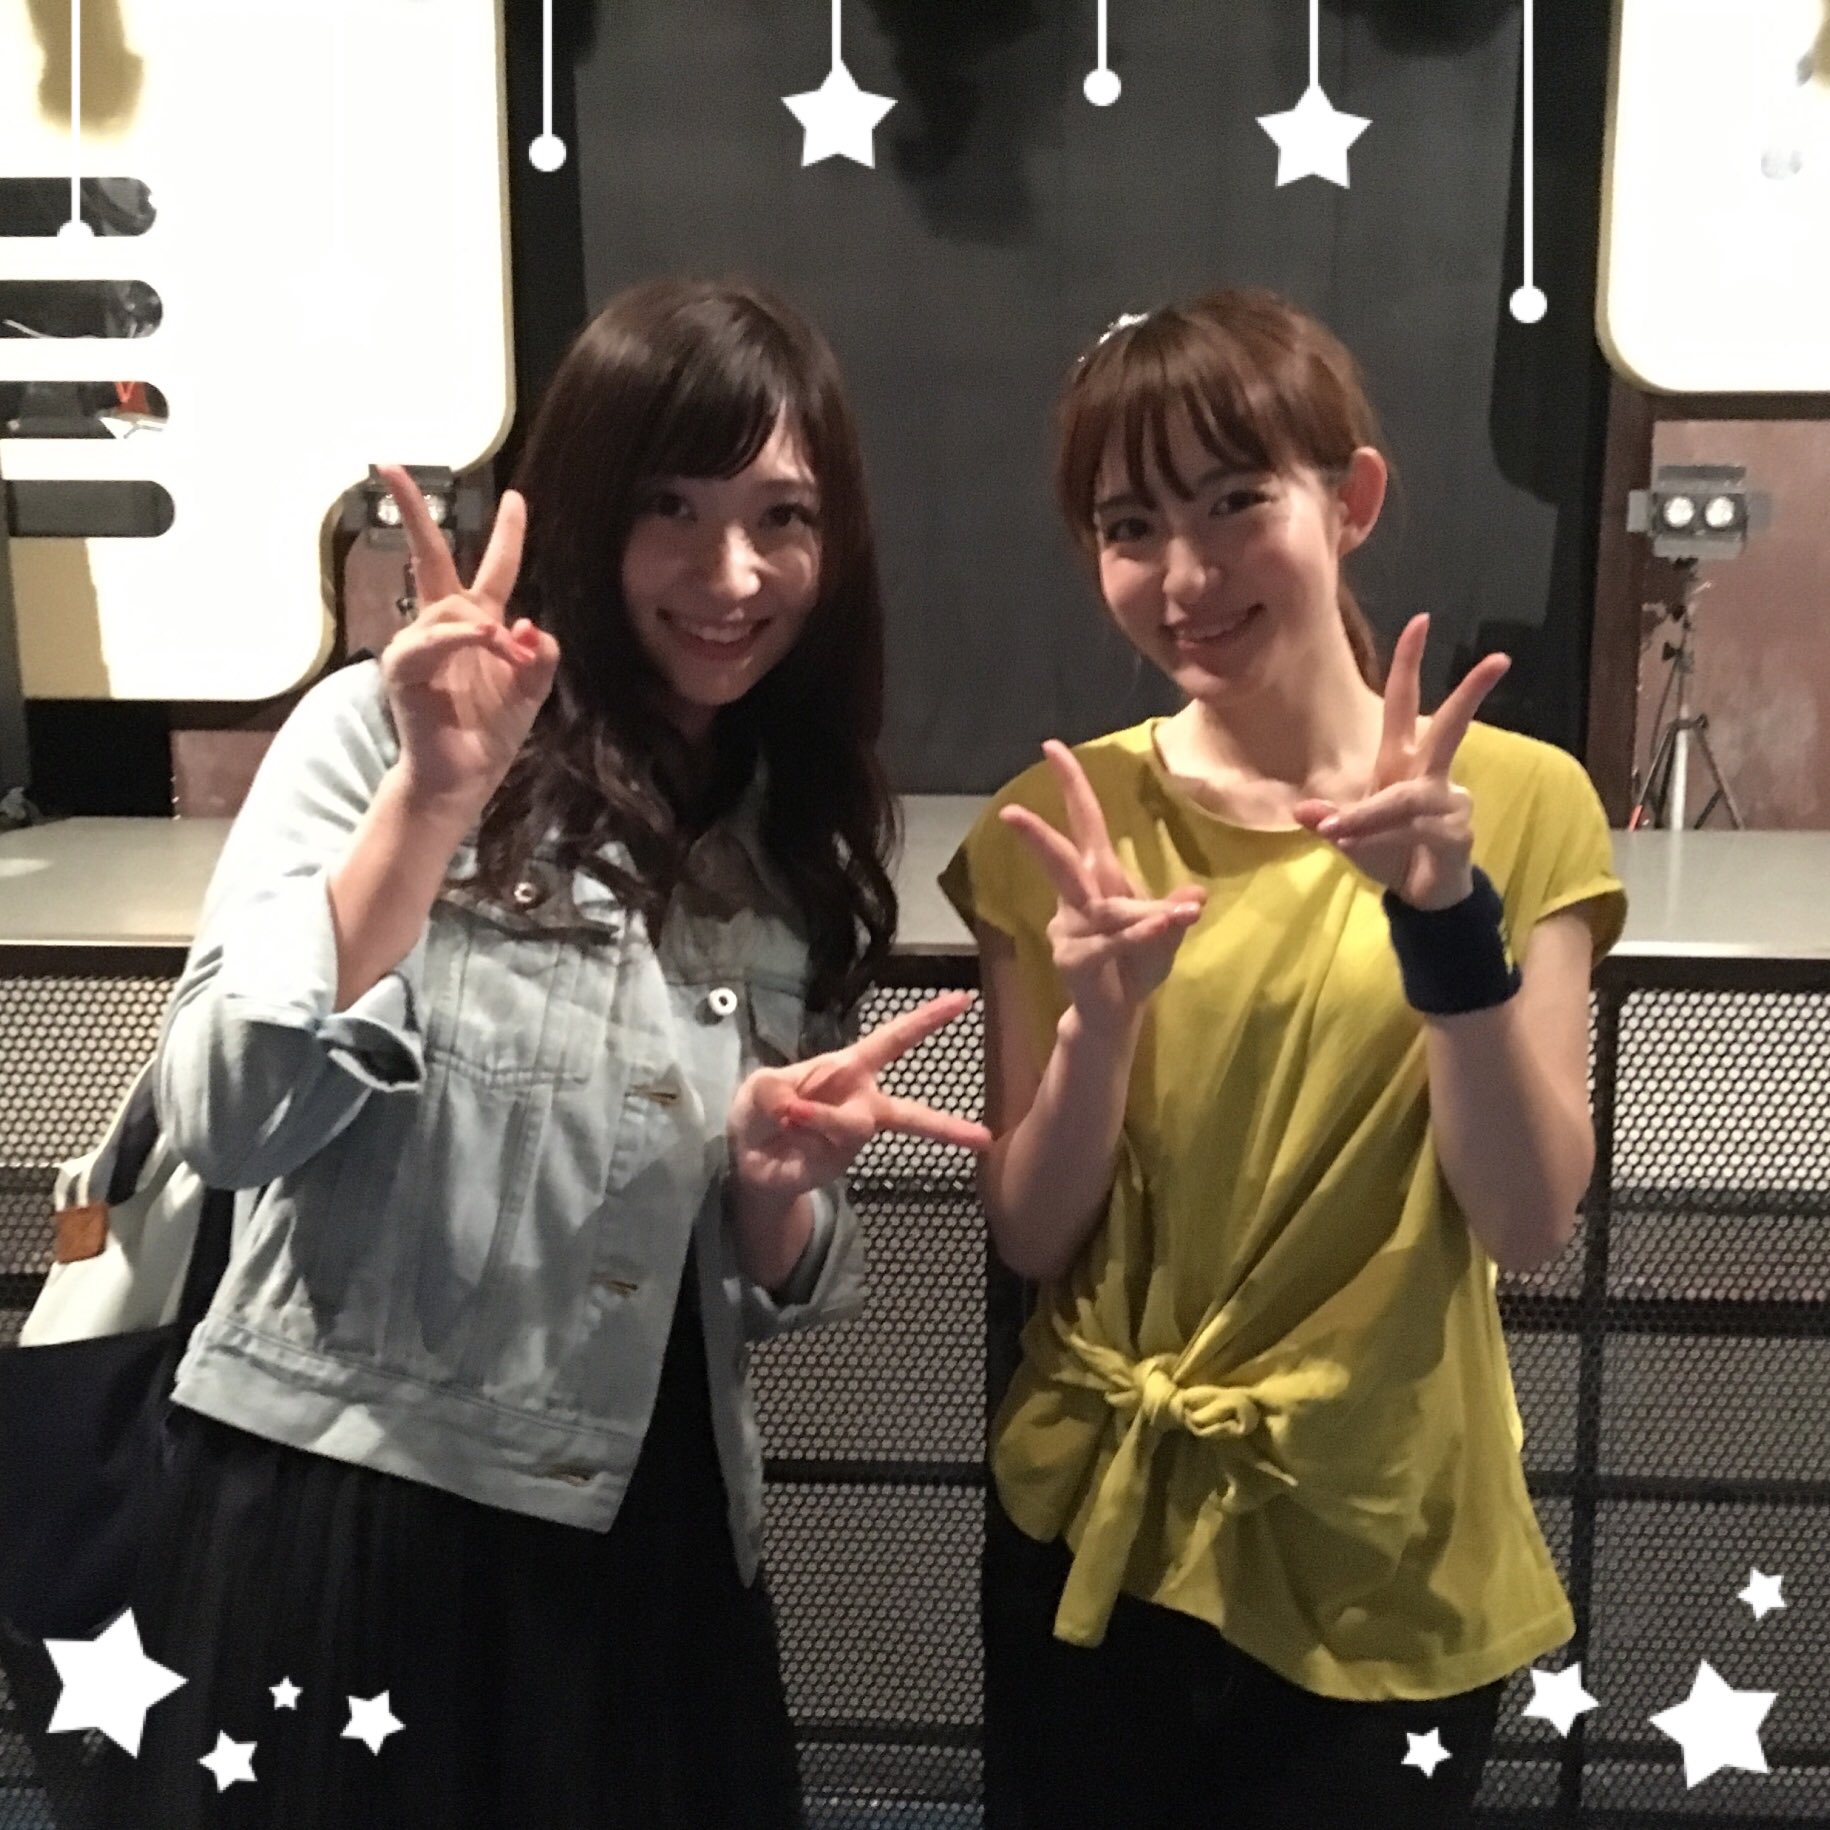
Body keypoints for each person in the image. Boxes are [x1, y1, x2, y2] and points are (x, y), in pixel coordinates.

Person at [118, 277, 990, 1828]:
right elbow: (229, 1114)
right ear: (590, 509)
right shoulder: (379, 736)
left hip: (654, 1537)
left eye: (781, 517)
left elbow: (764, 1277)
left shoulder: (785, 823)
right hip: (363, 1517)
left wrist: (772, 1190)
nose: (731, 572)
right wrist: (434, 801)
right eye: (671, 508)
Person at [941, 289, 1626, 1827]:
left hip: (1379, 1533)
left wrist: (1444, 922)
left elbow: (1525, 1215)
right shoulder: (1052, 826)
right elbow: (1033, 1231)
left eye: (1234, 500)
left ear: (1349, 497)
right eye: (1129, 525)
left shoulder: (1516, 802)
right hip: (1094, 1531)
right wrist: (1099, 1018)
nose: (1185, 574)